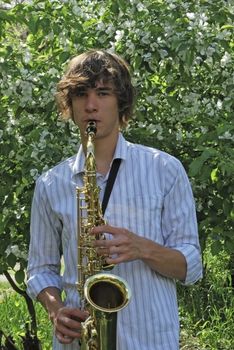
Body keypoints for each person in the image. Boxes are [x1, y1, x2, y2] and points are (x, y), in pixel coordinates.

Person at [27, 49, 202, 350]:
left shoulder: (165, 169)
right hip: (80, 341)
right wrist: (55, 309)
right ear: (69, 104)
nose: (91, 105)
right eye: (81, 94)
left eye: (103, 93)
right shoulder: (50, 183)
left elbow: (192, 266)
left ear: (121, 102)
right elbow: (40, 270)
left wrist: (142, 247)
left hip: (151, 339)